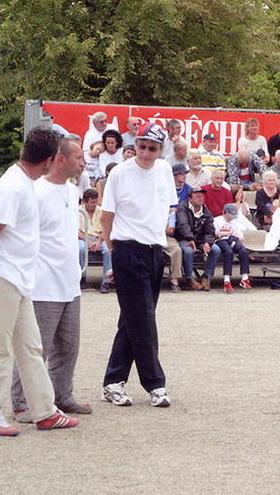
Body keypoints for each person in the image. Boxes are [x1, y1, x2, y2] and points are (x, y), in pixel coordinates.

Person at [0, 127, 80, 436]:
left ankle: (44, 411)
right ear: (51, 159)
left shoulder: (23, 182)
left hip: (18, 279)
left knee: (30, 347)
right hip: (2, 276)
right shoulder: (13, 187)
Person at [10, 135, 92, 422]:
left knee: (69, 345)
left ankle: (62, 395)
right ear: (61, 159)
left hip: (70, 282)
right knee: (36, 347)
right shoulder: (36, 191)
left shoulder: (72, 191)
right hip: (43, 283)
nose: (83, 163)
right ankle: (21, 402)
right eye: (78, 157)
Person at [99, 122, 175, 408]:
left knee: (134, 318)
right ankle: (155, 383)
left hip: (155, 250)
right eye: (141, 146)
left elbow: (166, 205)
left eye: (152, 148)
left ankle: (113, 381)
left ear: (160, 150)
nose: (145, 153)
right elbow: (107, 215)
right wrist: (112, 248)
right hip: (127, 249)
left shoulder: (165, 170)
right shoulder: (120, 173)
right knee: (144, 319)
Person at [175, 187, 221, 291]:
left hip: (200, 239)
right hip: (184, 238)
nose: (200, 198)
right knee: (188, 251)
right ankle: (189, 278)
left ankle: (206, 276)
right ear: (190, 199)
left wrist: (207, 242)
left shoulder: (205, 210)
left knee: (216, 250)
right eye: (197, 196)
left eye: (201, 196)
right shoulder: (182, 208)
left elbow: (210, 229)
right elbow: (183, 225)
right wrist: (190, 238)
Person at [78, 188, 113, 291]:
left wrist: (99, 241)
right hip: (84, 238)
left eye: (96, 202)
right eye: (92, 202)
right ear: (85, 202)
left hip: (100, 238)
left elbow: (106, 228)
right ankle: (82, 277)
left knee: (108, 250)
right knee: (80, 249)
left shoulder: (101, 211)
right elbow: (77, 231)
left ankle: (106, 282)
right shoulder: (79, 211)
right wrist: (88, 242)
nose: (95, 204)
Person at [213, 203, 252, 293]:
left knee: (244, 252)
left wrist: (237, 238)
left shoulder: (235, 222)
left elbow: (240, 237)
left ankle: (245, 278)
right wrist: (222, 235)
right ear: (224, 212)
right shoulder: (217, 221)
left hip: (233, 240)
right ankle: (227, 280)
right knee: (228, 252)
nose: (231, 218)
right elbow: (212, 235)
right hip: (221, 240)